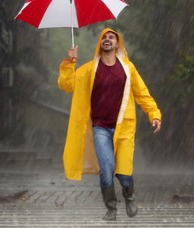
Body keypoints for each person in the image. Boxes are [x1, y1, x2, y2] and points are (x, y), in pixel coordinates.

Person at [57, 28, 162, 221]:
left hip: (124, 128)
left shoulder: (128, 68)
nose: (107, 39)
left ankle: (129, 194)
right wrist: (69, 62)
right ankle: (111, 208)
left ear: (117, 44)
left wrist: (154, 114)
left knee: (123, 173)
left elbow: (142, 93)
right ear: (100, 43)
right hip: (100, 128)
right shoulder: (89, 69)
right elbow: (67, 84)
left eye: (111, 37)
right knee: (106, 170)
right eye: (104, 37)